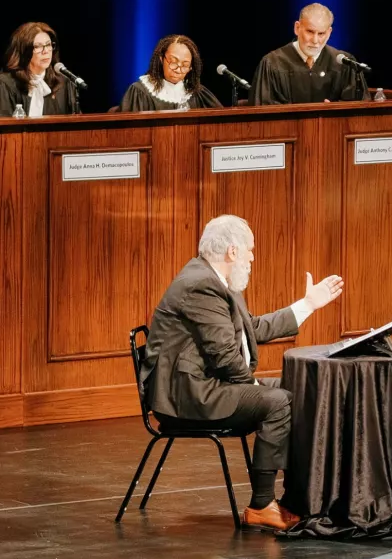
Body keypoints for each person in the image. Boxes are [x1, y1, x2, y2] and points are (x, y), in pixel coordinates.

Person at [144, 215, 343, 531]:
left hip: (211, 383)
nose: (252, 257)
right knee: (277, 401)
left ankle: (295, 496)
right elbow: (225, 356)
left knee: (300, 388)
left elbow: (253, 328)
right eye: (250, 250)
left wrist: (307, 304)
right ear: (233, 251)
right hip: (190, 396)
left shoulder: (219, 282)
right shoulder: (199, 285)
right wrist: (256, 386)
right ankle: (261, 505)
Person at [252, 3, 366, 105]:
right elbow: (262, 109)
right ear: (297, 28)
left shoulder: (344, 63)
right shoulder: (272, 63)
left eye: (321, 33)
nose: (315, 40)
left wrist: (334, 110)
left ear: (329, 33)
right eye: (310, 32)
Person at [0, 22, 82, 118]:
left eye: (48, 44)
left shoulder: (63, 83)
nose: (46, 51)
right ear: (23, 51)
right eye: (38, 46)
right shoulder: (4, 84)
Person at [120, 34, 224, 112]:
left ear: (191, 67)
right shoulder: (140, 92)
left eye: (185, 65)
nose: (178, 70)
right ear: (161, 59)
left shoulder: (197, 93)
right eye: (173, 62)